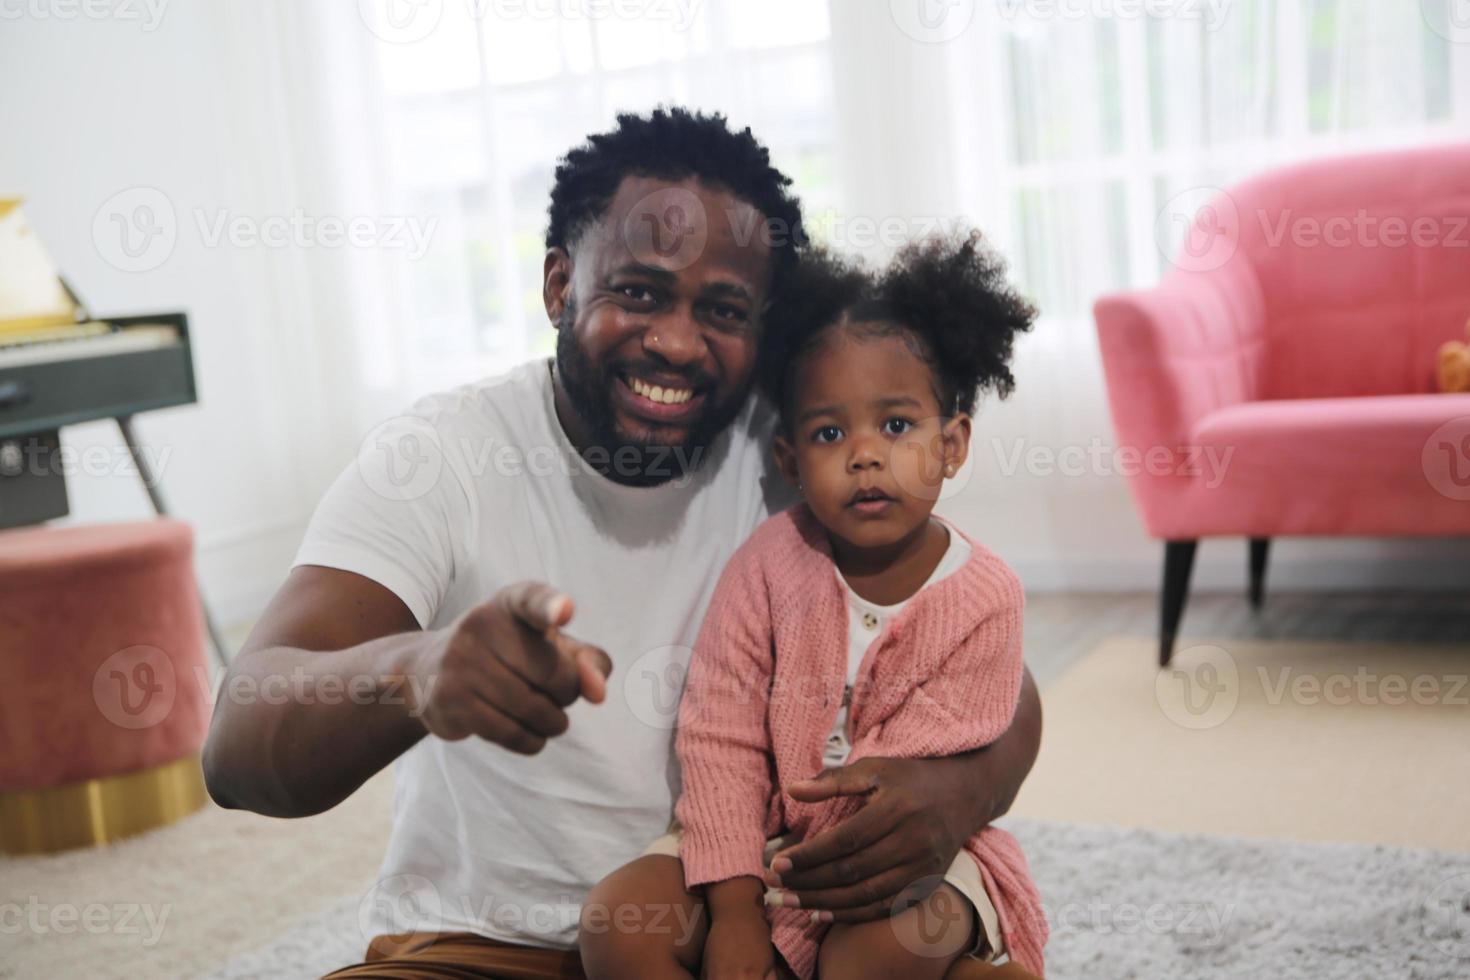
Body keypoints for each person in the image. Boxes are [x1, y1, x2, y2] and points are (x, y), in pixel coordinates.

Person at [201, 108, 1043, 980]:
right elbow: (238, 742)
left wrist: (953, 797)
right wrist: (419, 672)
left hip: (759, 925)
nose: (675, 341)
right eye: (637, 292)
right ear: (560, 285)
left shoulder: (805, 448)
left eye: (722, 309)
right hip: (486, 949)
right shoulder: (438, 458)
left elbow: (996, 678)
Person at [580, 236, 1045, 980]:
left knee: (873, 954)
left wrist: (785, 939)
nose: (864, 455)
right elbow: (721, 736)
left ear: (952, 444)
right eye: (831, 433)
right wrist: (735, 911)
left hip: (904, 855)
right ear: (792, 461)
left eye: (896, 426)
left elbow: (899, 800)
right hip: (761, 843)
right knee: (616, 924)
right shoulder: (767, 565)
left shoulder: (986, 598)